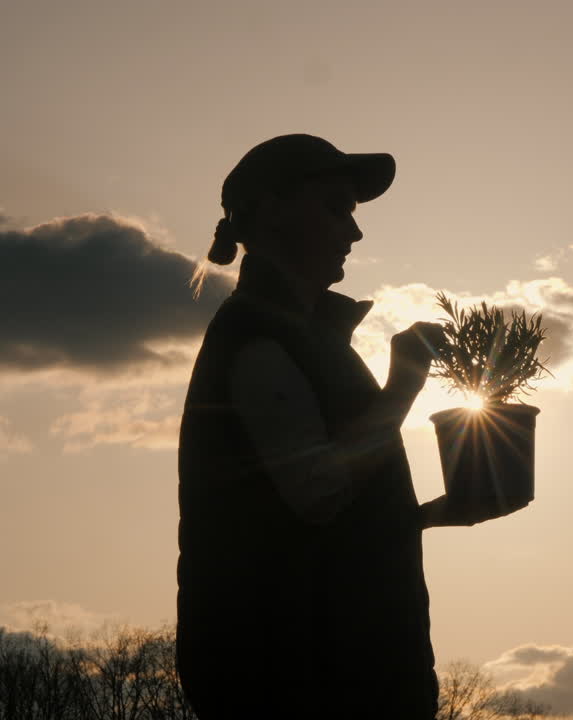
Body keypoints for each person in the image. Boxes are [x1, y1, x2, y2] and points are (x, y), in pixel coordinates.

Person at [177, 134, 488, 719]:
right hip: (303, 678)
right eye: (336, 207)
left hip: (336, 670)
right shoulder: (259, 336)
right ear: (270, 209)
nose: (355, 231)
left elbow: (314, 513)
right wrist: (403, 386)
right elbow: (318, 492)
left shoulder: (306, 337)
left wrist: (432, 512)